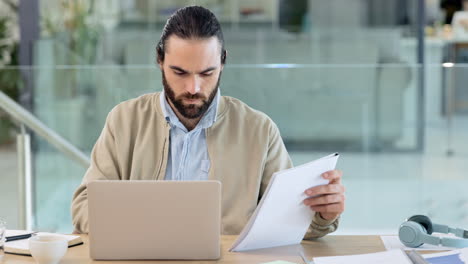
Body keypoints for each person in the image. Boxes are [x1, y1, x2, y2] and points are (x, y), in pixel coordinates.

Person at [71, 6, 345, 238]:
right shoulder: (125, 120)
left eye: (206, 73)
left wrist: (322, 213)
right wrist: (145, 231)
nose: (193, 87)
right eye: (179, 72)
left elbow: (289, 221)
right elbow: (84, 208)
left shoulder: (259, 130)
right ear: (159, 60)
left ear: (223, 62)